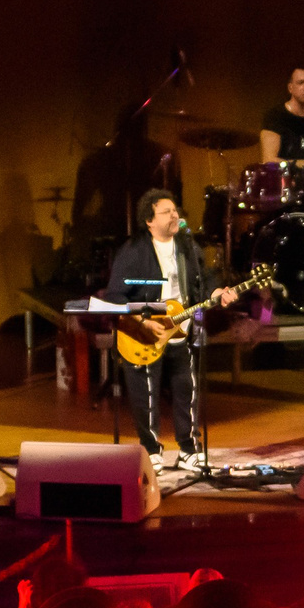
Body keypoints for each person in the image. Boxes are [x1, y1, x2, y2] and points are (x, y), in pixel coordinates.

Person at [102, 189, 238, 468]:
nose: (175, 215)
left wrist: (218, 292)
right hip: (144, 332)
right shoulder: (133, 251)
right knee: (146, 394)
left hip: (181, 328)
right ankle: (151, 450)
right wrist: (142, 321)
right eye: (166, 212)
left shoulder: (188, 247)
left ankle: (189, 448)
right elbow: (115, 295)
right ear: (149, 221)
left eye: (175, 210)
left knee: (186, 388)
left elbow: (205, 281)